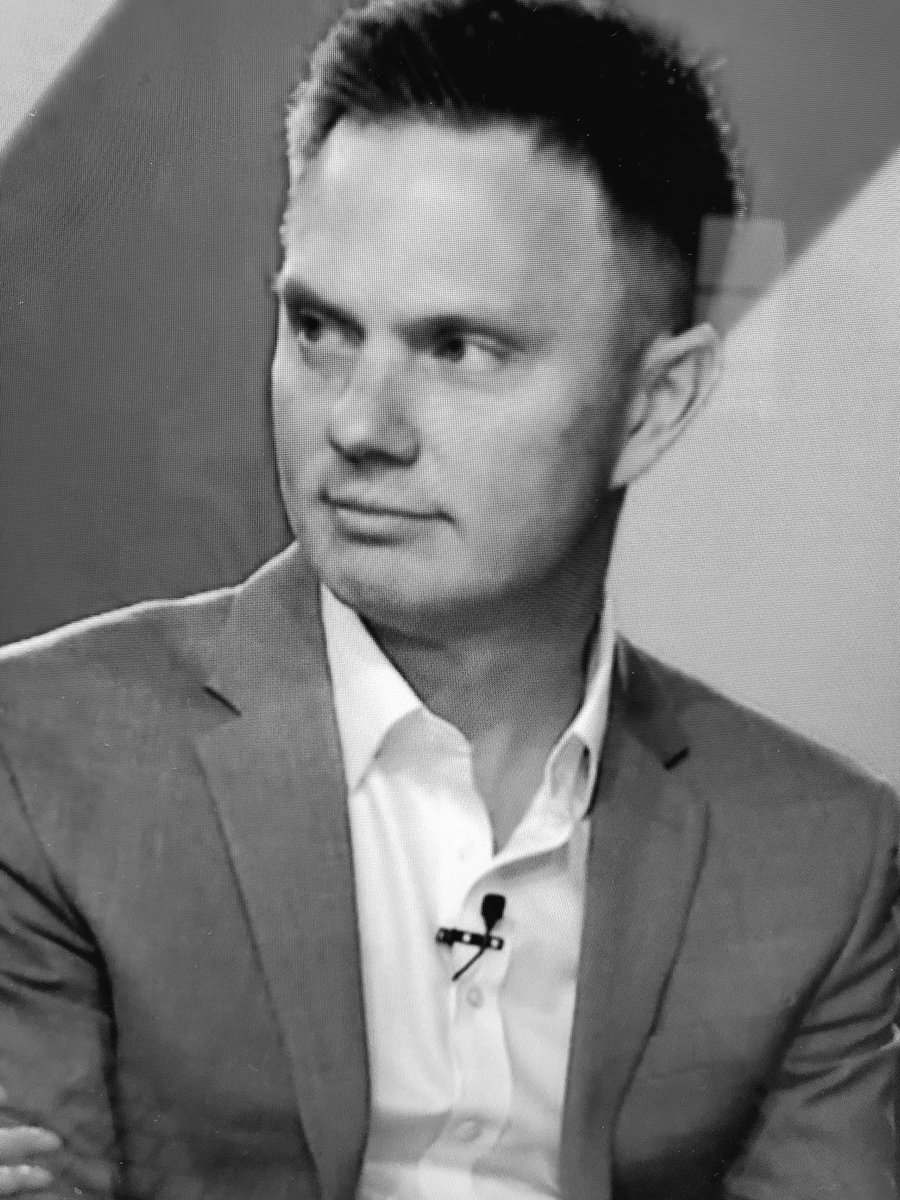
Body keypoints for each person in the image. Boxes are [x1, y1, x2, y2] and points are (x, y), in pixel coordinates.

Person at [0, 0, 897, 1196]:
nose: (359, 426)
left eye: (458, 349)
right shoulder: (41, 759)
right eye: (320, 328)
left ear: (654, 405)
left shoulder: (823, 860)